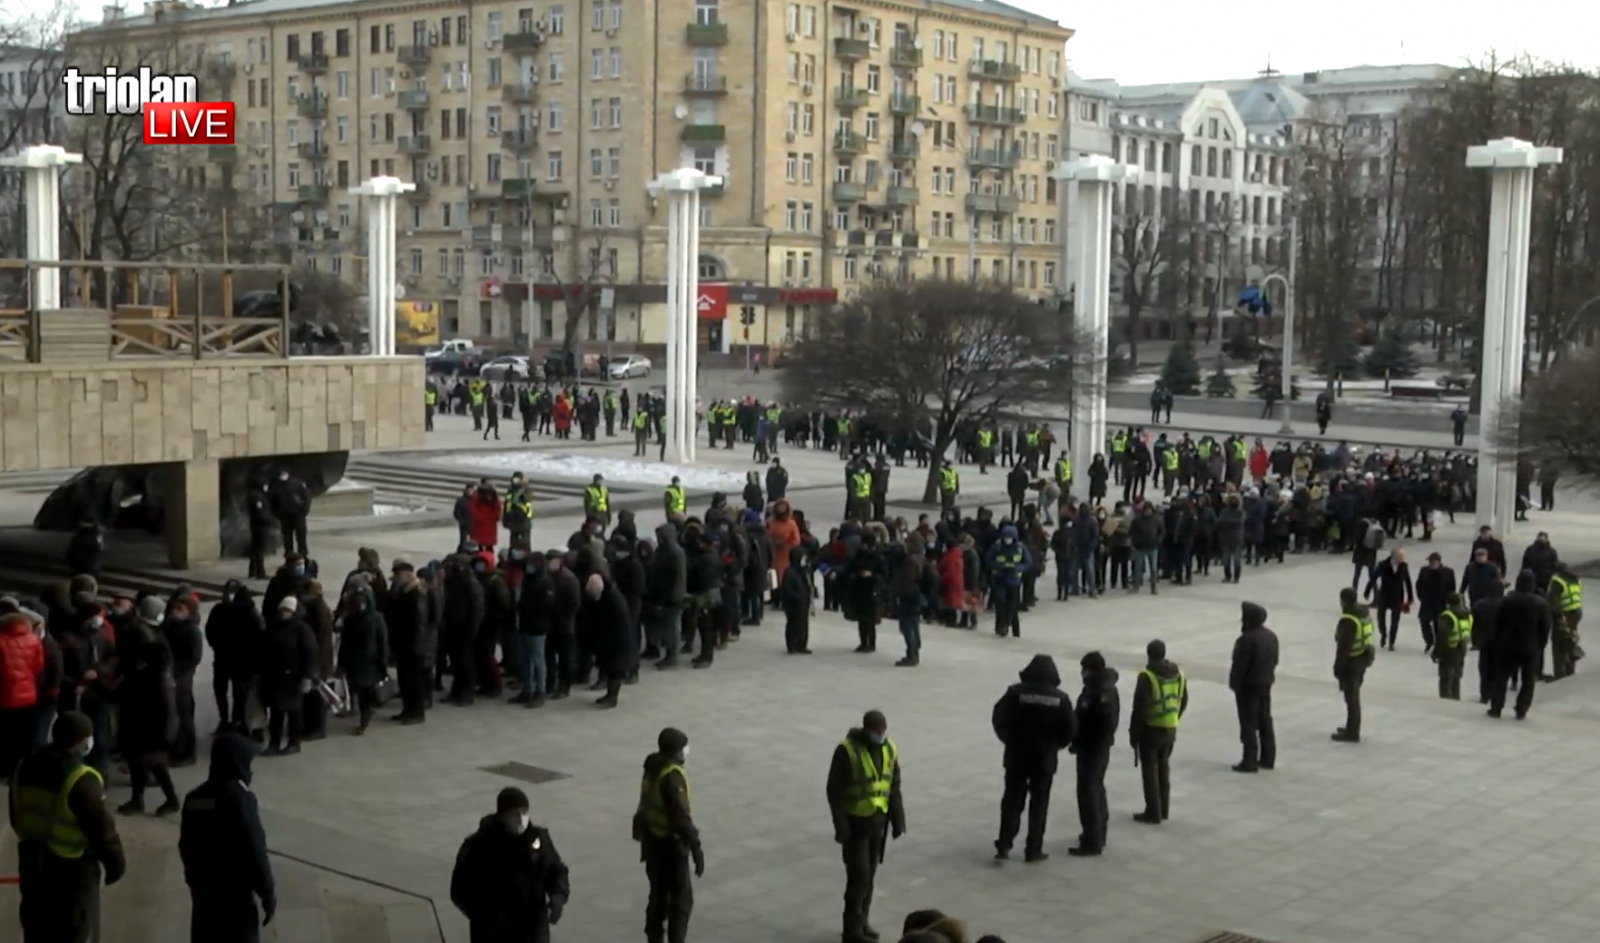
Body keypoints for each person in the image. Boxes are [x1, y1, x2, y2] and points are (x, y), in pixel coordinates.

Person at [8, 711, 126, 943]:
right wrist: (115, 864)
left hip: (33, 861)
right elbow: (102, 830)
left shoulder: (25, 767)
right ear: (82, 741)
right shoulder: (80, 779)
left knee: (36, 926)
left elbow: (16, 813)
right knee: (73, 928)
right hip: (72, 869)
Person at [178, 733, 276, 943]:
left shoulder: (194, 798)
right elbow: (254, 849)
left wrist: (193, 880)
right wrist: (267, 893)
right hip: (235, 898)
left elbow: (185, 845)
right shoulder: (241, 800)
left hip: (204, 895)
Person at [450, 787, 571, 943]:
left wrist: (557, 899)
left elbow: (557, 871)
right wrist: (487, 916)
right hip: (494, 936)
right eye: (514, 814)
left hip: (533, 932)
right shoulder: (479, 846)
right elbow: (461, 889)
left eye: (524, 812)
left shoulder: (538, 840)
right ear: (502, 815)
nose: (521, 819)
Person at [826, 710, 905, 943]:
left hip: (877, 824)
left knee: (869, 876)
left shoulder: (889, 748)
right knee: (858, 876)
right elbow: (835, 791)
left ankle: (863, 922)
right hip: (855, 825)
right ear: (867, 729)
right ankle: (851, 931)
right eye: (876, 732)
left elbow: (894, 786)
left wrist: (898, 820)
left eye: (883, 732)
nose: (880, 736)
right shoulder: (847, 751)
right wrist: (841, 827)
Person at [990, 654, 1075, 862]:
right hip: (1044, 758)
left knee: (1011, 800)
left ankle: (1004, 844)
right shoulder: (1060, 698)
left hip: (1016, 755)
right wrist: (1056, 746)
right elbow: (1070, 729)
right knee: (1039, 804)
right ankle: (1033, 849)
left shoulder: (1015, 692)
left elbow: (998, 717)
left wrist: (1007, 739)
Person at [633, 727, 703, 943]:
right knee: (681, 902)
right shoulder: (671, 776)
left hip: (652, 841)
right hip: (671, 846)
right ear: (676, 751)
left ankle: (653, 937)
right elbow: (680, 817)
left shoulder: (653, 765)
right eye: (684, 748)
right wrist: (696, 848)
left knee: (658, 895)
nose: (686, 751)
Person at [1128, 640, 1187, 824]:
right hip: (1170, 728)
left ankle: (1153, 812)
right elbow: (1183, 700)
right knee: (1163, 767)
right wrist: (1174, 717)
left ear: (1149, 654)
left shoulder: (1147, 676)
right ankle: (1164, 809)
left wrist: (1134, 734)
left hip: (1151, 729)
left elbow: (1140, 708)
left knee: (1150, 771)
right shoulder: (1179, 674)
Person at [1070, 652, 1118, 856]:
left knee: (1089, 791)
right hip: (1089, 746)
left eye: (1085, 669)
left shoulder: (1102, 692)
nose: (1082, 673)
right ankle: (1095, 832)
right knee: (1095, 787)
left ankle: (1093, 840)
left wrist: (1083, 737)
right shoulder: (1095, 687)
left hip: (1094, 748)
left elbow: (1103, 723)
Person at [1228, 602, 1279, 772]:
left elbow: (1240, 666)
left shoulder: (1246, 640)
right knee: (1265, 719)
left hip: (1248, 687)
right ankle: (1268, 757)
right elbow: (1275, 660)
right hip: (1265, 683)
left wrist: (1235, 684)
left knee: (1248, 722)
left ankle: (1249, 760)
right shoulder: (1271, 636)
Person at [0, 610, 47, 777]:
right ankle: (24, 766)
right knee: (25, 733)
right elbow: (38, 666)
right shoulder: (34, 640)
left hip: (5, 695)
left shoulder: (1, 641)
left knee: (7, 734)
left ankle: (9, 767)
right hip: (29, 694)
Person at [1332, 587, 1375, 742]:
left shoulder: (1348, 620)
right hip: (1364, 657)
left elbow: (1344, 646)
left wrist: (1337, 667)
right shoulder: (1363, 613)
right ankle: (1351, 726)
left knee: (1352, 698)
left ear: (1343, 600)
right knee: (1352, 696)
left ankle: (1352, 732)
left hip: (1352, 661)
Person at [1547, 562, 1583, 680]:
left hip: (1563, 614)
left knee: (1558, 644)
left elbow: (1553, 601)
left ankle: (1559, 674)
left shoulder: (1557, 581)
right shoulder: (1575, 579)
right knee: (1570, 640)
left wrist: (1558, 616)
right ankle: (1570, 670)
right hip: (1576, 613)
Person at [1433, 593, 1472, 700]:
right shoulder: (1467, 615)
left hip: (1449, 649)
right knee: (1456, 677)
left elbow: (1442, 635)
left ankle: (1446, 701)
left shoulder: (1448, 616)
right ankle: (1455, 698)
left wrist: (1436, 652)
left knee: (1446, 677)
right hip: (1462, 648)